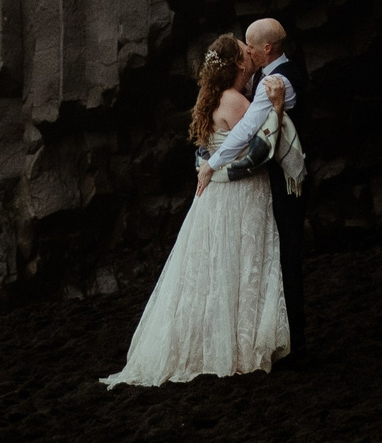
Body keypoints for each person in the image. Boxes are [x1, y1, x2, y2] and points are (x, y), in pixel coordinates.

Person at [99, 33, 290, 386]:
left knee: (210, 270)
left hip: (213, 197)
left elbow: (202, 154)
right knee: (237, 263)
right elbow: (261, 149)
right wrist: (277, 110)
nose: (250, 56)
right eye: (244, 54)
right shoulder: (237, 102)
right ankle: (237, 346)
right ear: (237, 65)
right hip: (240, 194)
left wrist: (211, 173)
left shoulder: (210, 98)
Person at [201, 17, 308, 363]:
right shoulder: (265, 78)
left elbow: (248, 129)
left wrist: (212, 163)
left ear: (266, 49)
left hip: (285, 184)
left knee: (286, 259)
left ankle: (296, 345)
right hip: (269, 184)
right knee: (272, 258)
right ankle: (284, 338)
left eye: (250, 44)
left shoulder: (278, 81)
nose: (246, 50)